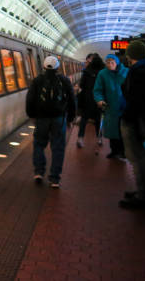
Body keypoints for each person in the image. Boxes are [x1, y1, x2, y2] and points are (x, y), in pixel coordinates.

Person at [26, 55, 76, 188]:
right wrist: (71, 118)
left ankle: (39, 172)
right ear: (58, 67)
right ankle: (54, 178)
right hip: (59, 119)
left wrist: (31, 115)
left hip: (41, 119)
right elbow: (72, 100)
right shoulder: (64, 80)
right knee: (58, 147)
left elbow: (30, 100)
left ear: (43, 67)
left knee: (39, 144)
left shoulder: (37, 80)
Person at [118, 41, 145, 209]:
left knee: (138, 158)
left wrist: (126, 117)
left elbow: (136, 100)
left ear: (130, 56)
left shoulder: (139, 72)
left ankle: (143, 196)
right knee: (144, 156)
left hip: (136, 121)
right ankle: (144, 191)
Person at [93, 55, 128, 159]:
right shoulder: (102, 74)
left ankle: (123, 151)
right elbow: (98, 89)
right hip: (110, 107)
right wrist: (99, 99)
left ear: (117, 62)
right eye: (107, 62)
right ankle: (114, 151)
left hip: (125, 107)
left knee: (124, 130)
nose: (109, 64)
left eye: (112, 62)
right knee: (112, 131)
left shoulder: (126, 72)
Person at [76, 54, 105, 148]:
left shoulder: (87, 72)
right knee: (98, 119)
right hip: (98, 99)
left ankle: (80, 138)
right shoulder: (103, 73)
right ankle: (99, 138)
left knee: (84, 119)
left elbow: (82, 86)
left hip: (87, 98)